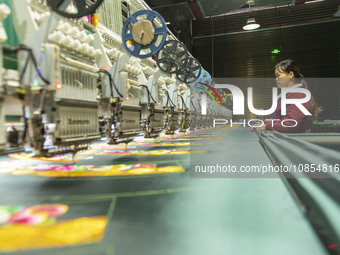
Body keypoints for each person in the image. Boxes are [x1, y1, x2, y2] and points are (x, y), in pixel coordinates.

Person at [252, 59, 322, 133]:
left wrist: (266, 126)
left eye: (278, 75)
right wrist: (264, 123)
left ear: (290, 75)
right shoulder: (288, 96)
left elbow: (290, 124)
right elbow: (280, 120)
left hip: (294, 141)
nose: (276, 79)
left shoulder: (299, 96)